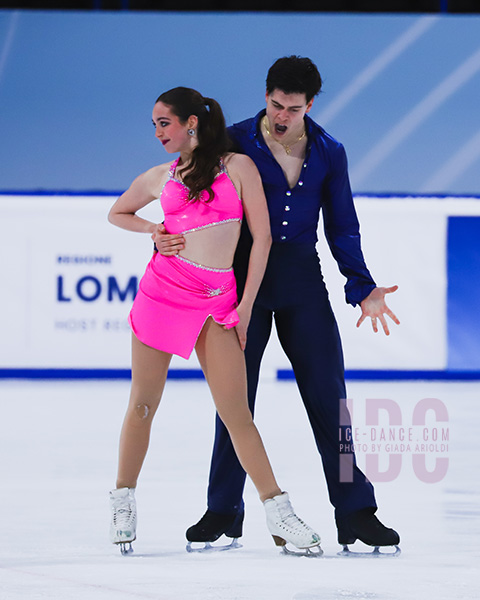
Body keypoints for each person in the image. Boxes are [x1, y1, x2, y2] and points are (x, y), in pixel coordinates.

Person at [155, 57, 401, 553]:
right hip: (241, 281)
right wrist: (165, 236)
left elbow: (343, 225)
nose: (283, 115)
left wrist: (362, 284)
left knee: (330, 398)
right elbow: (193, 193)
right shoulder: (235, 140)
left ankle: (357, 512)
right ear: (265, 95)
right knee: (233, 398)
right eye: (275, 105)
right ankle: (223, 509)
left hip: (301, 281)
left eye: (294, 108)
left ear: (311, 104)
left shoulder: (330, 151)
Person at [107, 86, 322, 556]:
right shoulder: (159, 176)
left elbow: (261, 240)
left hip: (218, 302)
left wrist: (245, 307)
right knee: (142, 405)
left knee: (236, 414)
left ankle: (279, 512)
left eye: (164, 122)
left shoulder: (237, 167)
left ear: (191, 123)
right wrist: (153, 230)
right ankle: (123, 499)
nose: (158, 132)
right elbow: (117, 212)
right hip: (162, 294)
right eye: (154, 125)